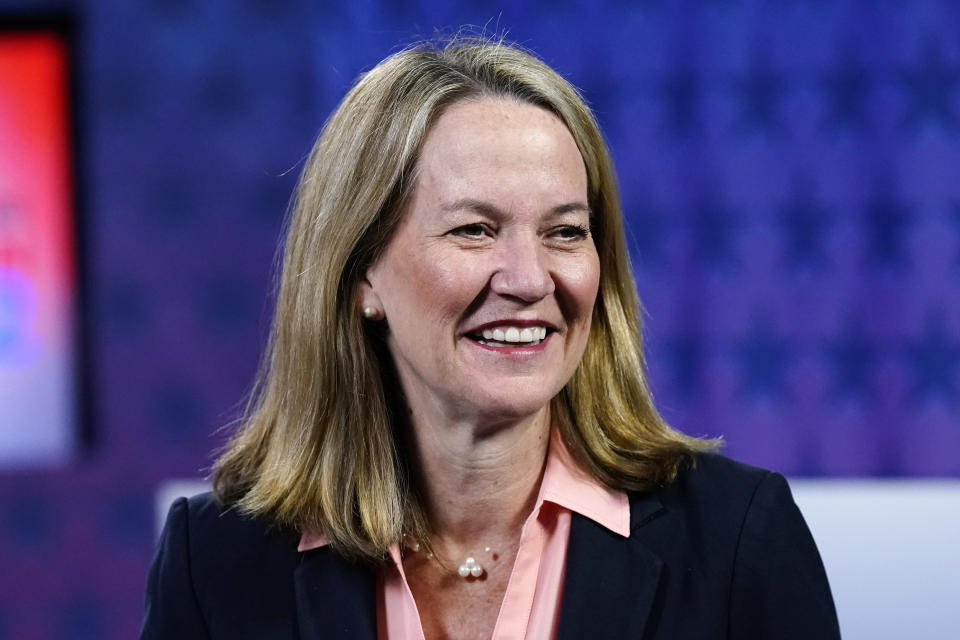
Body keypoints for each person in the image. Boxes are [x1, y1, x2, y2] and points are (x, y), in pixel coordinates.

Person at [140, 36, 839, 640]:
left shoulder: (740, 538)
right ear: (361, 275)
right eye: (473, 229)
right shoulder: (216, 559)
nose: (530, 279)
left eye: (565, 232)